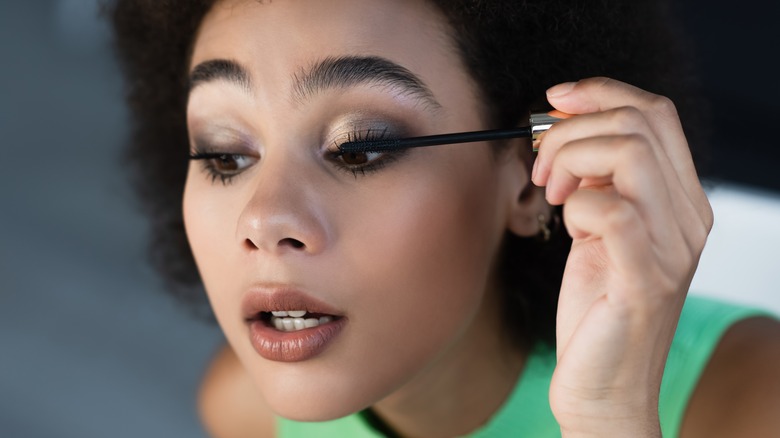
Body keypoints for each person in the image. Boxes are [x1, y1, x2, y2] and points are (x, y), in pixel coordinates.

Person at [108, 0, 780, 436]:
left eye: (361, 148)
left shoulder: (751, 403)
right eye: (225, 156)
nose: (264, 217)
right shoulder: (244, 412)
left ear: (528, 179)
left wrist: (609, 417)